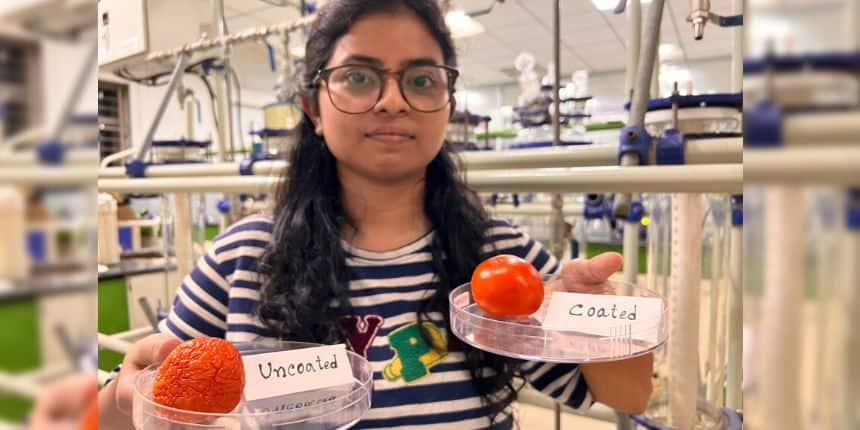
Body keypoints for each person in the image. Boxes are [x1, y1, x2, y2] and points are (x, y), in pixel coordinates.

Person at [98, 1, 652, 428]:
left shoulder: (501, 257)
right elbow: (116, 412)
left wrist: (593, 320)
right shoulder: (242, 258)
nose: (393, 100)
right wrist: (128, 395)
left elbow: (628, 396)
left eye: (421, 79)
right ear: (313, 107)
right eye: (359, 77)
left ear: (447, 107)